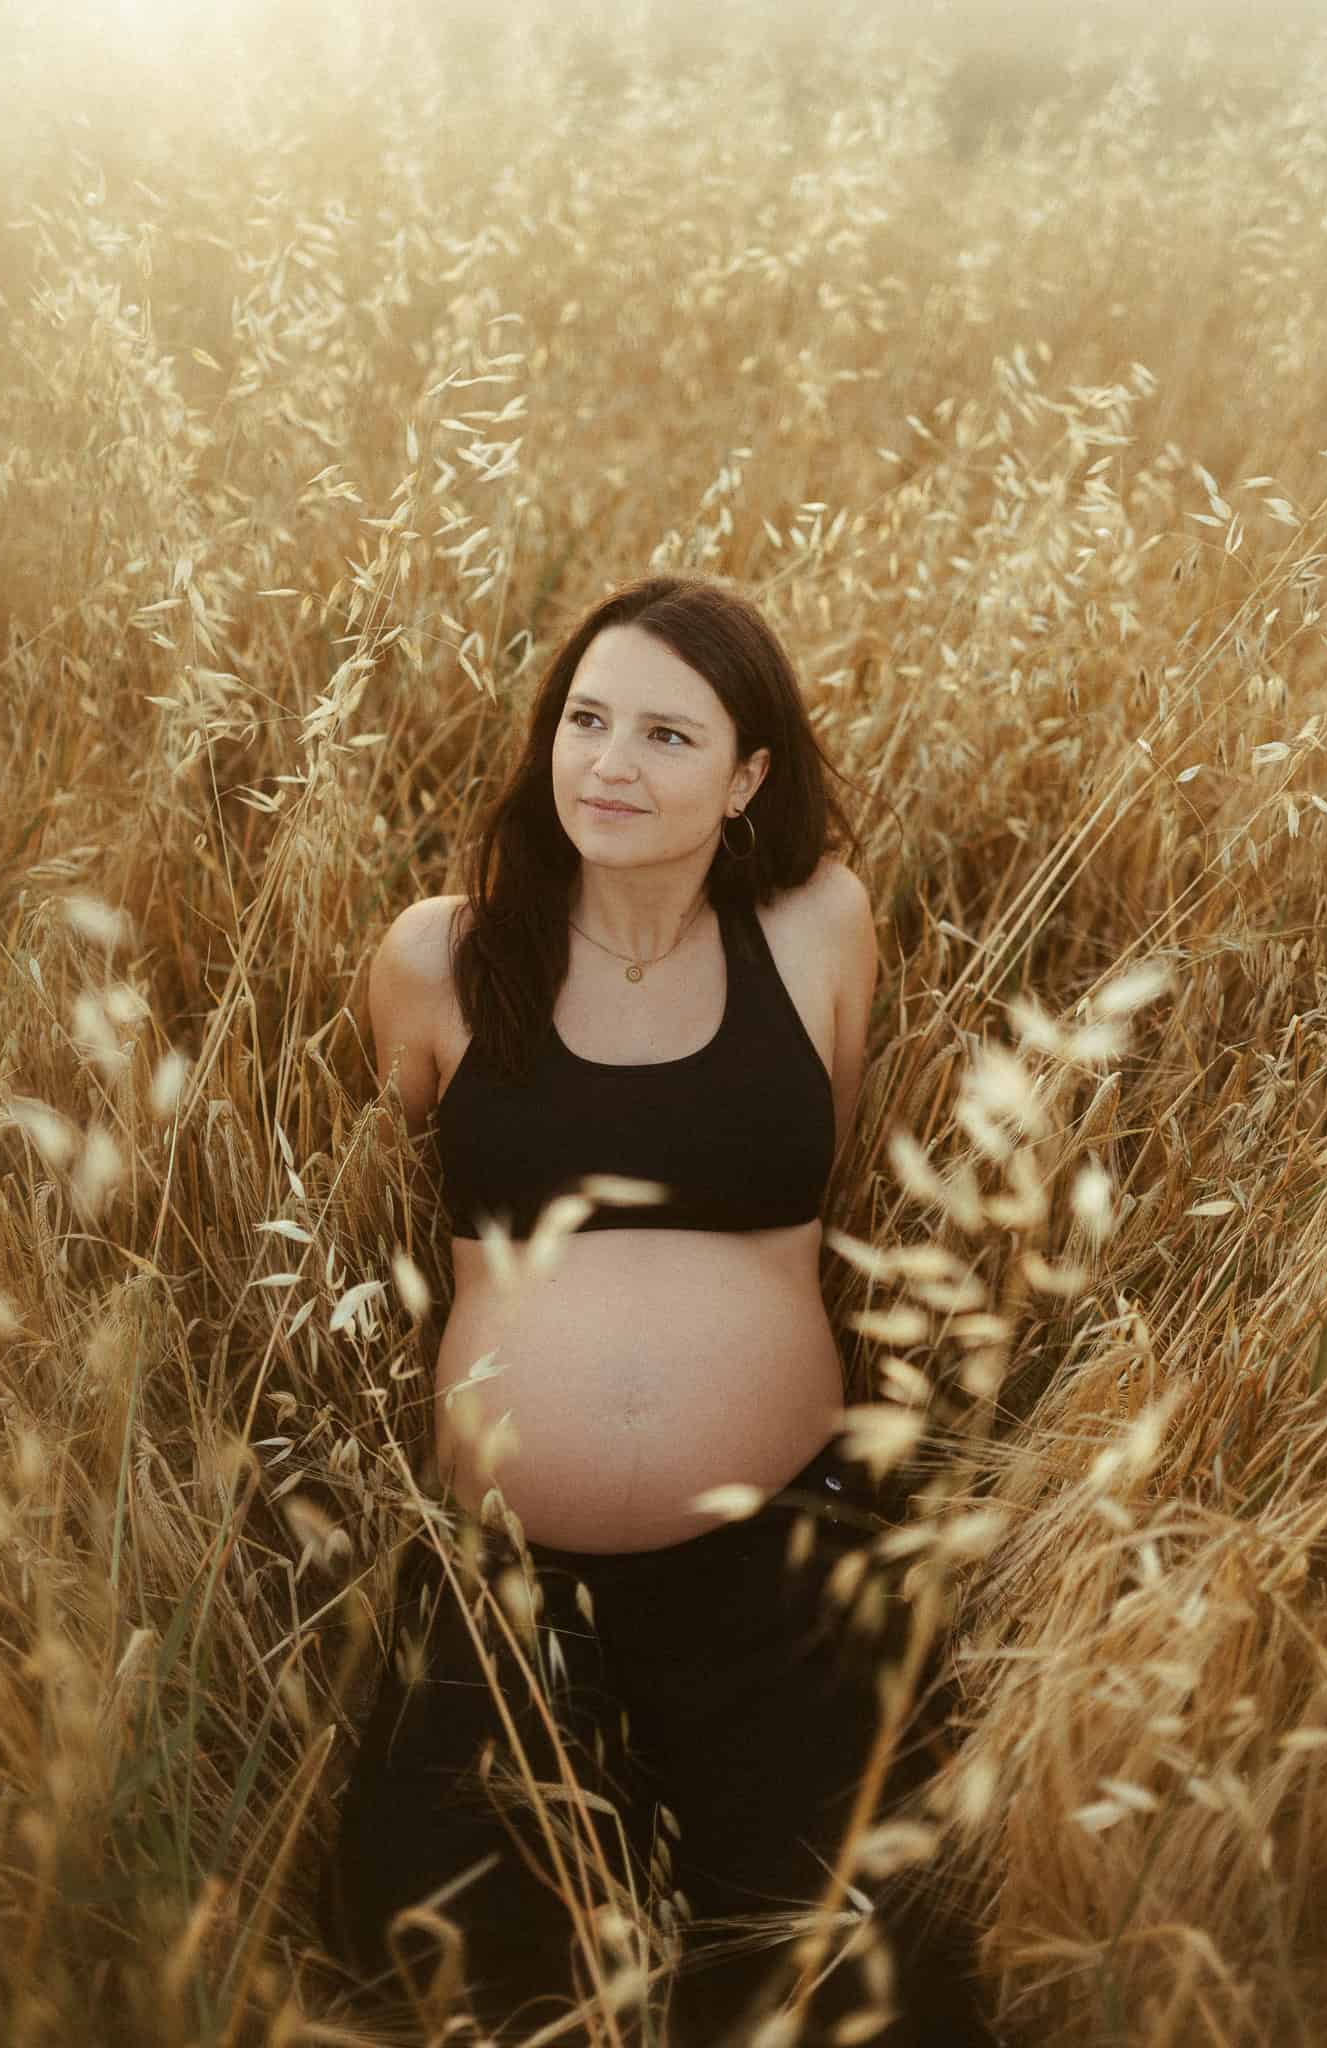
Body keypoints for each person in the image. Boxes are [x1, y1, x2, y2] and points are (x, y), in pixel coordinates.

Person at [316, 577, 997, 2045]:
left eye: (668, 735)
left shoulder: (816, 926)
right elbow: (382, 1202)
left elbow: (822, 1165)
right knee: (442, 1972)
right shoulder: (438, 954)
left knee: (851, 1978)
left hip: (772, 1556)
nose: (610, 764)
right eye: (586, 719)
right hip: (506, 1581)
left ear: (749, 776)